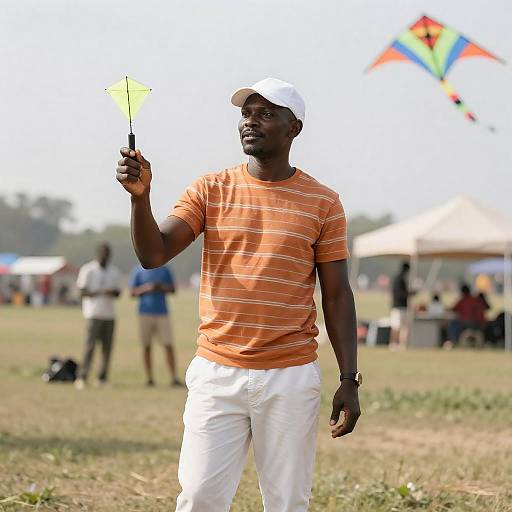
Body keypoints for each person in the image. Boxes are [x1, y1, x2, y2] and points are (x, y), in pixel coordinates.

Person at [116, 77, 361, 511]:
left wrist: (348, 379)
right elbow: (154, 254)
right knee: (199, 497)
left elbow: (337, 295)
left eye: (266, 114)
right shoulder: (210, 190)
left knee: (287, 502)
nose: (251, 122)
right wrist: (141, 198)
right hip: (216, 371)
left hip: (290, 375)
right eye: (246, 114)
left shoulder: (323, 202)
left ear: (294, 129)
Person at [75, 243, 121, 389]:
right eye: (102, 253)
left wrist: (110, 292)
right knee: (90, 347)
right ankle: (82, 376)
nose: (104, 256)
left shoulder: (114, 271)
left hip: (109, 314)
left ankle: (102, 378)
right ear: (97, 254)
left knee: (107, 349)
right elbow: (81, 292)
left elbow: (118, 293)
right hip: (93, 313)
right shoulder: (88, 270)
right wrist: (99, 292)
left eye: (107, 253)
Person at [129, 264, 183, 387]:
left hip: (162, 313)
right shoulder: (138, 270)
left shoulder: (165, 269)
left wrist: (161, 287)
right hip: (144, 313)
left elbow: (173, 289)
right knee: (146, 346)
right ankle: (149, 378)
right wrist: (147, 288)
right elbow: (132, 292)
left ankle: (174, 377)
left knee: (168, 344)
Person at [390, 262, 412, 345]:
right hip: (400, 306)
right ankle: (400, 344)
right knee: (401, 327)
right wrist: (409, 293)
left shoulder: (396, 278)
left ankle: (394, 344)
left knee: (397, 326)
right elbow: (400, 293)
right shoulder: (400, 279)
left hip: (396, 306)